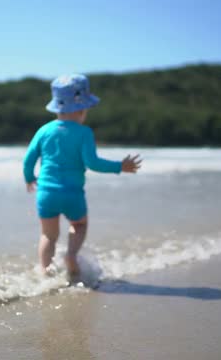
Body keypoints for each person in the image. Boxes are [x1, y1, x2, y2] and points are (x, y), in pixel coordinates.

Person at [23, 74, 142, 277]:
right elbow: (92, 163)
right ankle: (71, 255)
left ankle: (45, 273)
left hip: (46, 193)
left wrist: (29, 178)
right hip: (73, 194)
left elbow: (29, 158)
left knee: (48, 235)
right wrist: (119, 166)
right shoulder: (84, 132)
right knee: (79, 225)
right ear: (81, 109)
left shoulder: (44, 130)